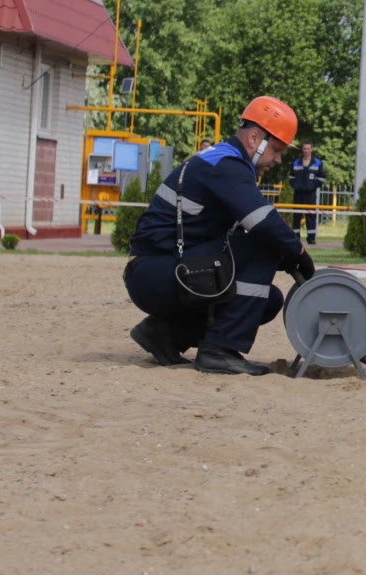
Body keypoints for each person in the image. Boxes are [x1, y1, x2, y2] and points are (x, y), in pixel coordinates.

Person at [123, 96, 315, 376]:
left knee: (268, 299)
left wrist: (286, 259)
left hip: (157, 270)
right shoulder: (227, 165)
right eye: (276, 149)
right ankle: (219, 351)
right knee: (264, 245)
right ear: (254, 138)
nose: (278, 159)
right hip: (155, 273)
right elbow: (264, 223)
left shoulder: (222, 160)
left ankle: (163, 334)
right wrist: (297, 253)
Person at [288, 142, 326, 246]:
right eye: (304, 149)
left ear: (311, 150)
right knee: (297, 216)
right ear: (302, 150)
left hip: (311, 194)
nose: (306, 151)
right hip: (298, 193)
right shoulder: (296, 162)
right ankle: (296, 237)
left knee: (311, 216)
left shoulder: (317, 162)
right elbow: (291, 177)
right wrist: (296, 185)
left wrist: (312, 186)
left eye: (308, 149)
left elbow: (322, 178)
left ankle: (311, 238)